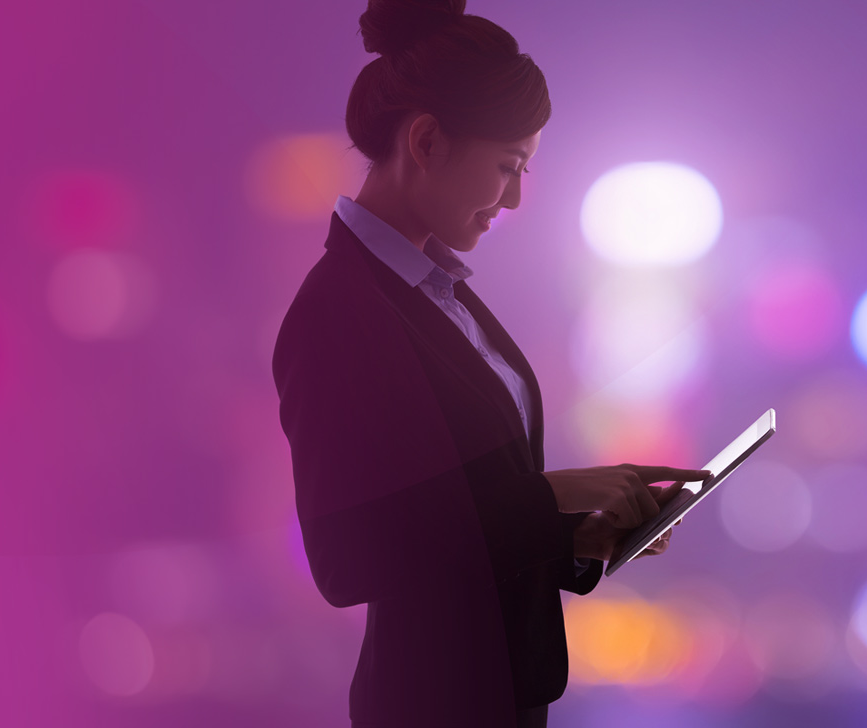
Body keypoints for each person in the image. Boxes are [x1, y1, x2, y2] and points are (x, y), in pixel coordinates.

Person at [271, 1, 710, 725]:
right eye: (507, 167)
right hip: (430, 704)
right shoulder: (338, 311)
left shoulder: (438, 296)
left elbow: (461, 518)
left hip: (501, 694)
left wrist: (576, 535)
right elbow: (349, 556)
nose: (512, 198)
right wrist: (560, 493)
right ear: (427, 142)